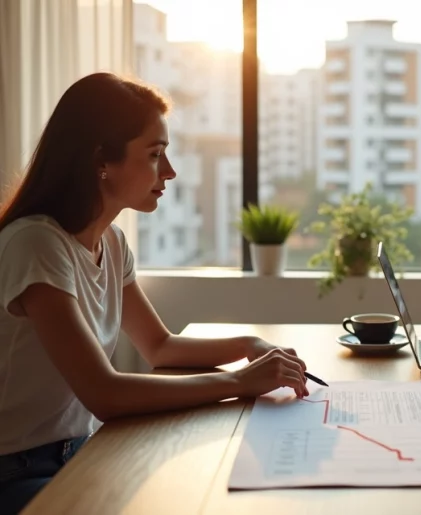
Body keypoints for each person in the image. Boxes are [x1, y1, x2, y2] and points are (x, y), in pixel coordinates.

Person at [0, 72, 311, 514]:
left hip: (80, 451)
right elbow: (104, 394)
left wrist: (250, 346)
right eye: (154, 154)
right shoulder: (36, 244)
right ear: (101, 160)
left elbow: (160, 345)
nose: (169, 171)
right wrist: (239, 382)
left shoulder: (111, 242)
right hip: (16, 470)